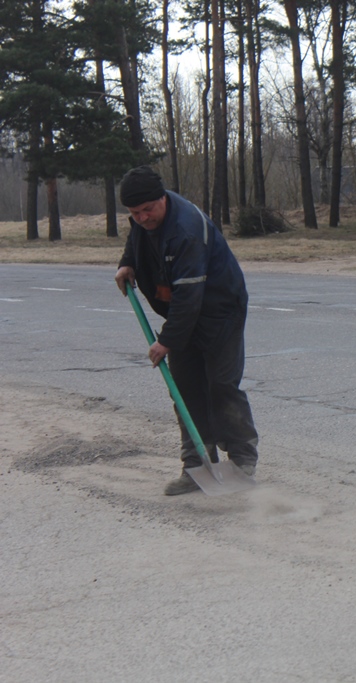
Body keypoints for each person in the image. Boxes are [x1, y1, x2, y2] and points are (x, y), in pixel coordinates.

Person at [114, 166, 259, 495]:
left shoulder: (186, 230)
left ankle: (242, 460)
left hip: (220, 309)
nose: (142, 218)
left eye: (147, 209)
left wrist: (166, 341)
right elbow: (137, 238)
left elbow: (190, 298)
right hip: (183, 309)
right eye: (134, 213)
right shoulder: (143, 218)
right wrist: (128, 262)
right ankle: (197, 466)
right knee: (186, 388)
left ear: (162, 199)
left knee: (221, 384)